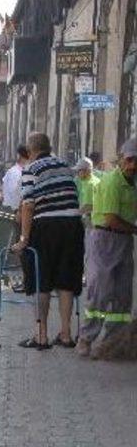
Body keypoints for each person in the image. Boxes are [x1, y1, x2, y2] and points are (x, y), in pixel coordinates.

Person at [12, 132, 84, 350]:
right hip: (72, 225)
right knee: (66, 280)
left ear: (31, 150)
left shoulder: (30, 169)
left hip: (46, 227)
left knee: (41, 280)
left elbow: (28, 205)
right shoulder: (65, 165)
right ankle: (66, 334)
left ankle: (41, 336)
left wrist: (24, 238)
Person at [75, 138, 137, 359]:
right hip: (105, 238)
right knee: (100, 292)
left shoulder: (134, 182)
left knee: (122, 295)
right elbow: (111, 219)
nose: (132, 165)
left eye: (136, 161)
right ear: (121, 160)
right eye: (129, 160)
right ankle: (86, 338)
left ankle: (112, 344)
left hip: (124, 241)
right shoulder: (112, 183)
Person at [1, 146, 29, 211]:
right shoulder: (15, 173)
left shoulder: (18, 171)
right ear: (23, 158)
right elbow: (15, 194)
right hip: (12, 210)